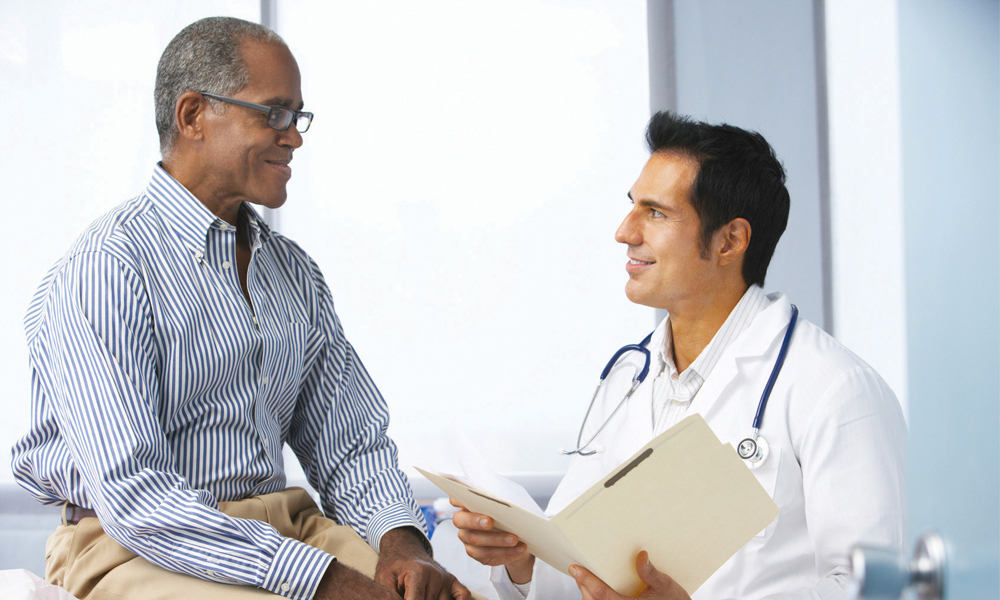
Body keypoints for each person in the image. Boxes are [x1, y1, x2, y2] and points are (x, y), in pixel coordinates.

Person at [10, 16, 472, 600]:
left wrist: (401, 542)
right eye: (274, 114)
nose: (295, 136)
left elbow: (349, 444)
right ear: (193, 116)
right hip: (134, 543)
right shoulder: (108, 269)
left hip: (287, 527)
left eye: (298, 117)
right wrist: (319, 578)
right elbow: (136, 497)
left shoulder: (293, 273)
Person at [451, 112, 906, 600]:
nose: (625, 232)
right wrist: (522, 560)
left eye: (656, 213)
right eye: (633, 207)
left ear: (729, 240)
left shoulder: (834, 390)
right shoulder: (629, 378)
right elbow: (582, 567)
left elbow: (876, 589)